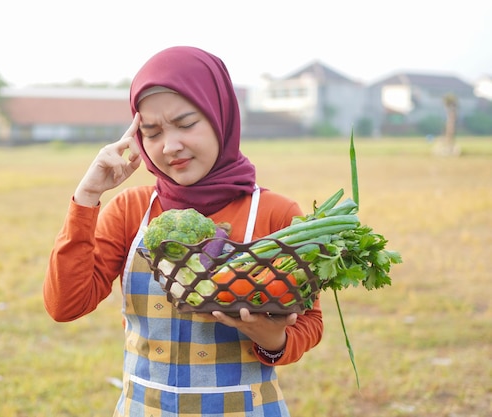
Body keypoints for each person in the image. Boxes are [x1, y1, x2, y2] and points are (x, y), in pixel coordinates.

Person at [44, 46, 323, 417]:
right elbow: (66, 305)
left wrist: (273, 339)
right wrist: (87, 197)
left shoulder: (274, 213)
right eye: (152, 132)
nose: (170, 146)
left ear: (219, 116)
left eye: (186, 123)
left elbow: (310, 324)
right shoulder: (132, 211)